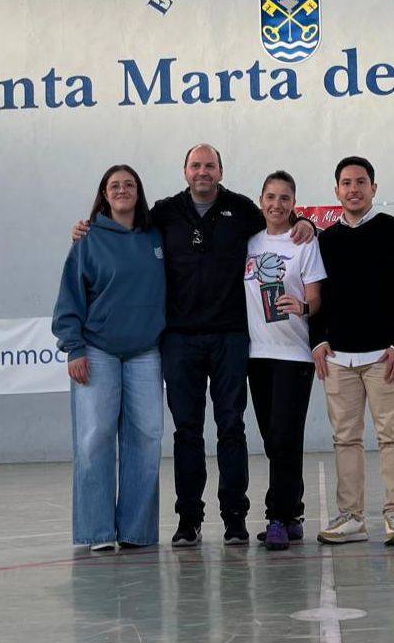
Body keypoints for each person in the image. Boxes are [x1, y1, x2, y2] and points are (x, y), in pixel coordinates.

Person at [73, 144, 314, 548]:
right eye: (195, 165)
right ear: (185, 171)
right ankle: (189, 521)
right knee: (187, 432)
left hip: (231, 338)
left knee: (231, 429)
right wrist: (87, 229)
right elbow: (123, 226)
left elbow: (280, 223)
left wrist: (305, 220)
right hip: (180, 340)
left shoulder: (243, 211)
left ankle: (235, 520)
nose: (202, 172)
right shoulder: (164, 213)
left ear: (220, 171)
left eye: (210, 166)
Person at [311, 156, 394, 547]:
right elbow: (315, 296)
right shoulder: (325, 241)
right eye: (346, 182)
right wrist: (318, 339)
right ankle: (352, 517)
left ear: (373, 188)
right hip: (339, 361)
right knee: (345, 439)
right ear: (337, 191)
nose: (354, 189)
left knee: (391, 435)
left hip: (384, 359)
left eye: (361, 182)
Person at [53, 164, 166, 553]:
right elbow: (70, 297)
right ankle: (97, 532)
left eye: (129, 184)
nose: (122, 190)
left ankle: (136, 531)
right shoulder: (87, 239)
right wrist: (74, 348)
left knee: (147, 439)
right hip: (97, 351)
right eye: (114, 185)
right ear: (104, 193)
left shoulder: (157, 235)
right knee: (94, 439)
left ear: (139, 191)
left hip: (145, 353)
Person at [244, 171, 326, 551]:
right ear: (261, 200)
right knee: (274, 441)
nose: (277, 204)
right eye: (271, 197)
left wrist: (303, 306)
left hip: (293, 355)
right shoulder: (249, 241)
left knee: (285, 437)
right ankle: (292, 512)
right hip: (257, 356)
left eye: (285, 198)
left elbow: (316, 299)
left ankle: (276, 518)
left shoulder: (303, 242)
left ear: (295, 203)